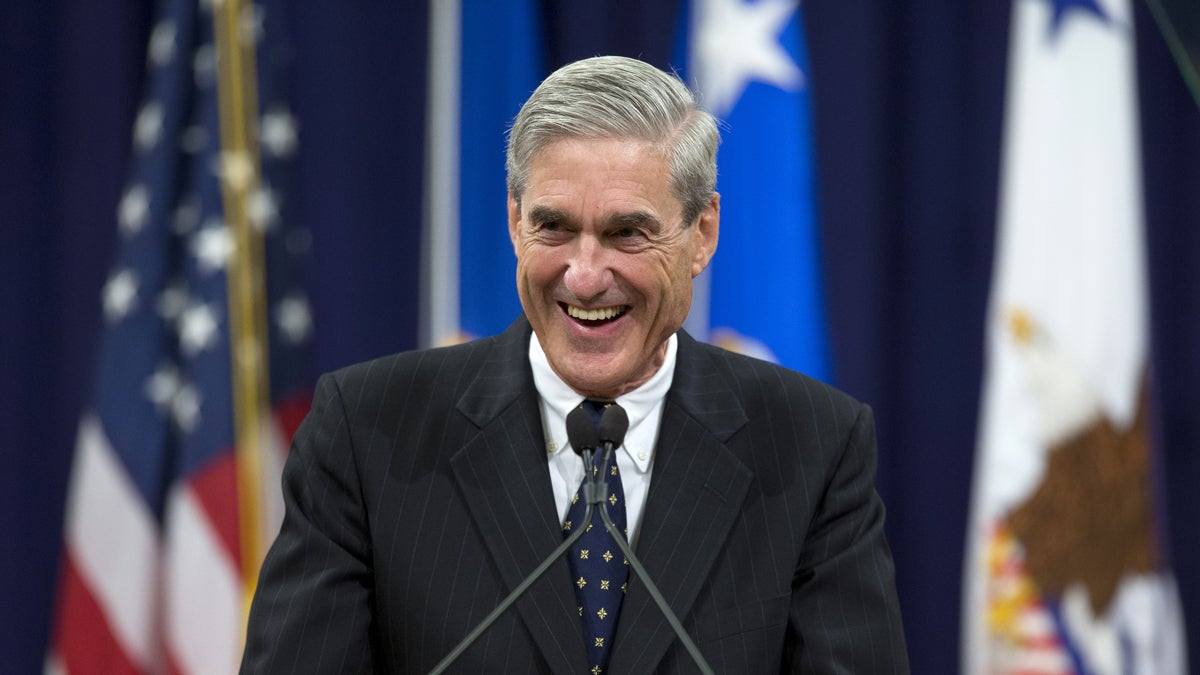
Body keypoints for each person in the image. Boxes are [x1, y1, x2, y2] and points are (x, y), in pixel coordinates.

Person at [241, 55, 908, 673]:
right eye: (553, 227)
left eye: (626, 233)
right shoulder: (367, 435)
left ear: (701, 233)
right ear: (513, 221)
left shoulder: (813, 447)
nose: (585, 276)